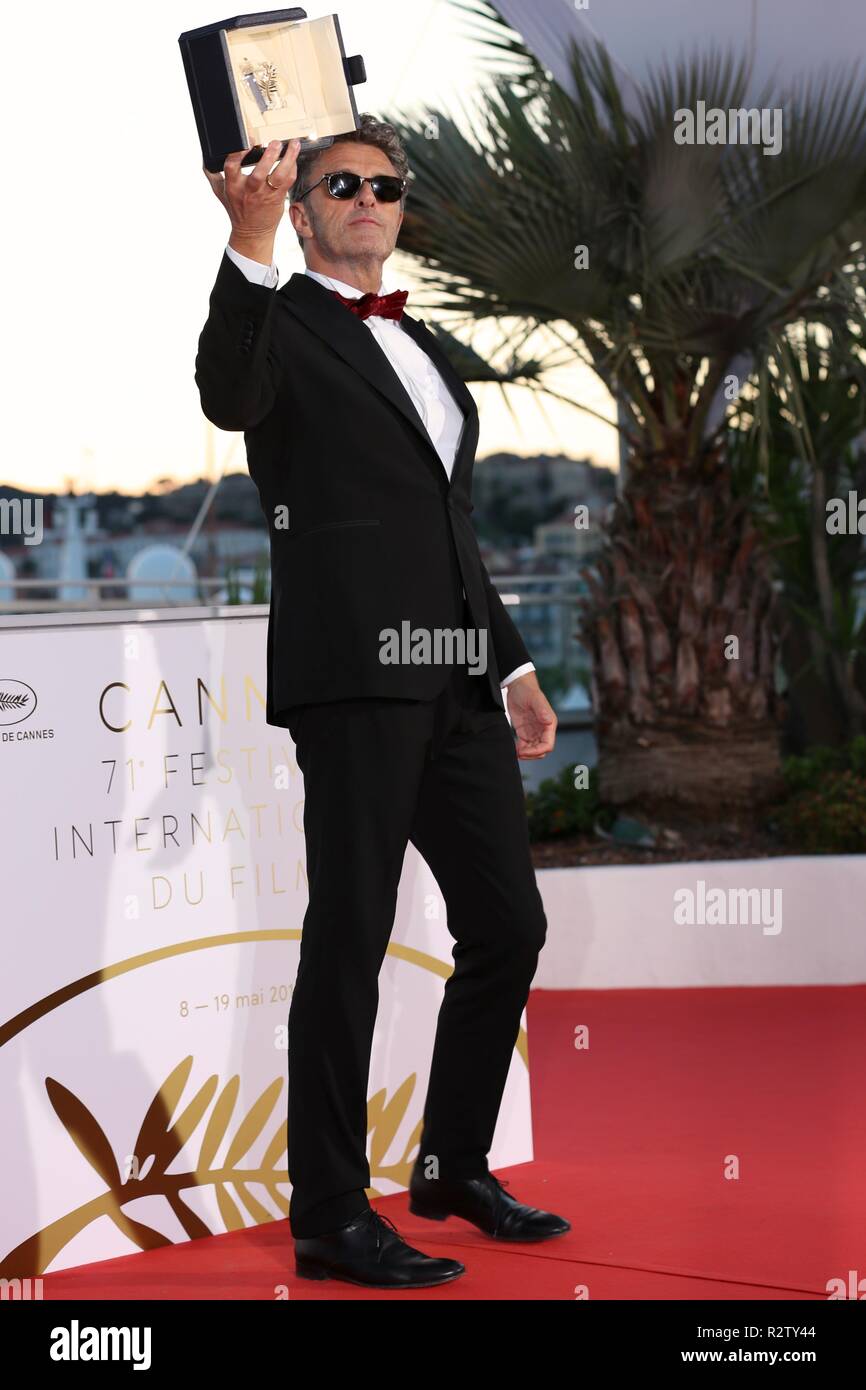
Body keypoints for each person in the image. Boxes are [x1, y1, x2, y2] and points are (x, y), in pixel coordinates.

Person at [196, 113, 569, 1289]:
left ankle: (454, 1159)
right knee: (349, 940)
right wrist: (246, 242)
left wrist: (507, 662)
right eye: (339, 183)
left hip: (456, 673)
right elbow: (224, 393)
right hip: (354, 678)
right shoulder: (278, 321)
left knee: (508, 923)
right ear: (303, 209)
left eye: (384, 184)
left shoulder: (427, 346)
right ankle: (328, 1214)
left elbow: (448, 525)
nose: (366, 196)